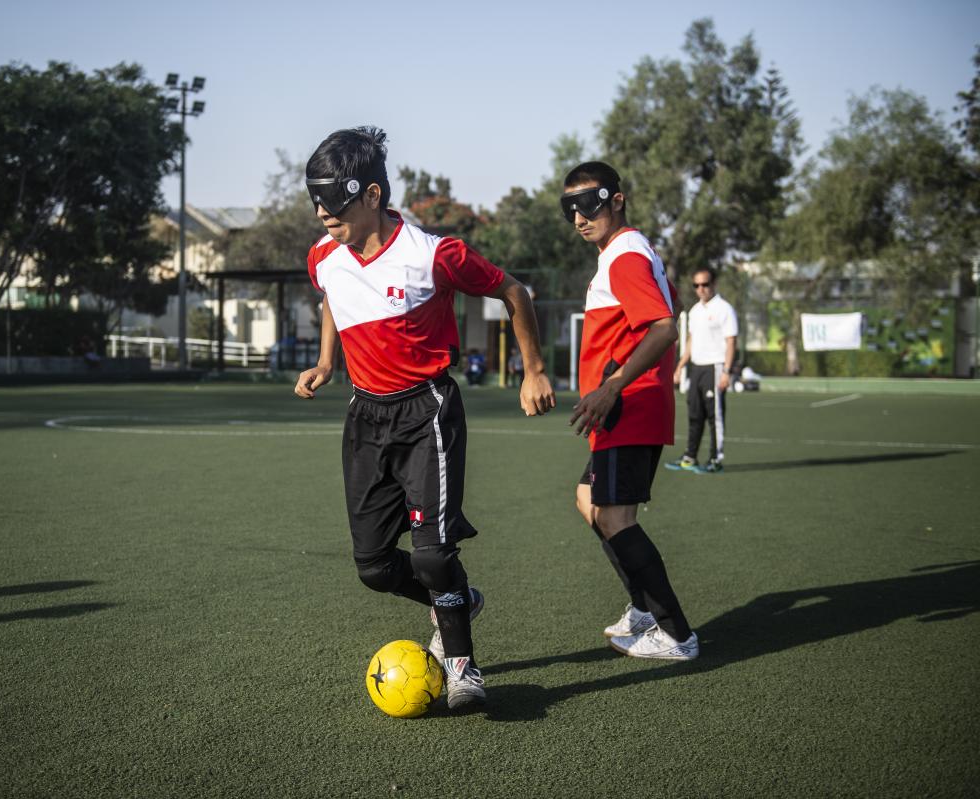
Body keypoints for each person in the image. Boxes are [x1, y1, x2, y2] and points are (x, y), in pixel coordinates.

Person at [295, 126, 555, 709]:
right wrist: (326, 361)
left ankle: (462, 666)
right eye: (315, 200)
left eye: (332, 200)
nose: (321, 213)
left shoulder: (433, 254)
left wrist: (533, 370)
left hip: (427, 411)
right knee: (375, 567)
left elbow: (515, 292)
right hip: (365, 415)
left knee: (434, 553)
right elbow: (330, 297)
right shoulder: (323, 256)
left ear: (371, 196)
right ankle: (458, 598)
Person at [563, 161, 698, 660]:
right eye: (569, 207)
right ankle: (642, 609)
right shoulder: (632, 251)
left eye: (590, 203)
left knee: (615, 516)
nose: (580, 216)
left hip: (629, 403)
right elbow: (670, 306)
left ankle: (676, 635)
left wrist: (613, 385)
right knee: (588, 501)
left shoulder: (623, 256)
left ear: (616, 200)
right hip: (625, 404)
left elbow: (664, 326)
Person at [667, 268, 738, 473]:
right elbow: (691, 341)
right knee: (694, 414)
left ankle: (715, 460)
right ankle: (690, 456)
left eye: (705, 284)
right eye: (696, 285)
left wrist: (726, 371)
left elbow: (731, 341)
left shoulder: (724, 309)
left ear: (713, 284)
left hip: (715, 368)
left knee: (714, 416)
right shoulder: (695, 311)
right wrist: (680, 366)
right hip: (696, 368)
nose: (701, 289)